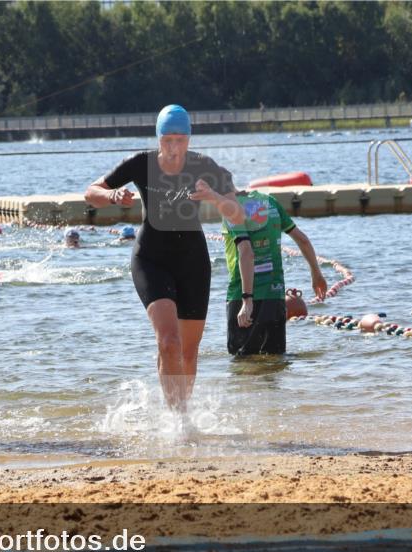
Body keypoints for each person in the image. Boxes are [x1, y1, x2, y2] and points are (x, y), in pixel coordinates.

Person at [85, 104, 243, 411]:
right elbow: (91, 192)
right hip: (150, 259)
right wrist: (112, 196)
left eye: (179, 140)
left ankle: (182, 415)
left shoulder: (204, 166)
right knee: (169, 342)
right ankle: (177, 422)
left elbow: (237, 213)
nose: (173, 147)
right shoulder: (140, 164)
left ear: (189, 140)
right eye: (167, 140)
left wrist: (214, 197)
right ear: (158, 139)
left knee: (188, 352)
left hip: (192, 263)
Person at [222, 191, 327, 355]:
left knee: (242, 365)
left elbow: (247, 253)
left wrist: (246, 299)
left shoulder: (229, 208)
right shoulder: (269, 201)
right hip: (275, 295)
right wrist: (316, 273)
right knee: (276, 361)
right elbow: (303, 240)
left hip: (241, 296)